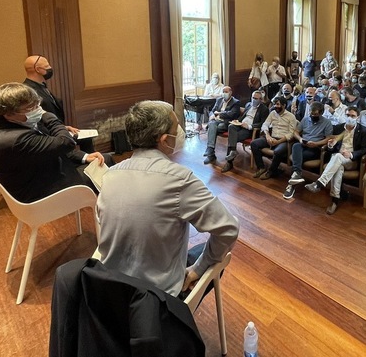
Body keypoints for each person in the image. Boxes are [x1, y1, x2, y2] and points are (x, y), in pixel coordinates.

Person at [96, 100, 239, 297]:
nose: (180, 131)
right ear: (164, 140)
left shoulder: (109, 175)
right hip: (158, 299)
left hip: (111, 290)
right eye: (176, 127)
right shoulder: (179, 179)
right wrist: (198, 269)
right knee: (207, 254)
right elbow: (228, 228)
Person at [0, 82, 104, 203]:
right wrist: (48, 116)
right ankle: (110, 210)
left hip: (39, 172)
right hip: (39, 192)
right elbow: (66, 142)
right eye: (30, 108)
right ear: (9, 114)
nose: (38, 110)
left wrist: (85, 157)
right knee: (108, 166)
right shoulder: (18, 139)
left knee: (101, 161)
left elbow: (52, 145)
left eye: (37, 105)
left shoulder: (10, 126)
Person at [304, 106, 366, 214]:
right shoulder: (338, 128)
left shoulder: (364, 131)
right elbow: (332, 149)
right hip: (337, 159)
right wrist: (330, 146)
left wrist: (351, 154)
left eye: (352, 116)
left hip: (351, 160)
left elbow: (365, 149)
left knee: (337, 157)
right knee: (338, 167)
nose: (350, 117)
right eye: (348, 115)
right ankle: (334, 200)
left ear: (357, 117)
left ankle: (319, 183)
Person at [284, 102, 334, 199]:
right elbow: (296, 132)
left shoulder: (327, 122)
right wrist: (300, 139)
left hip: (315, 147)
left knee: (297, 157)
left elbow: (328, 138)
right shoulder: (306, 119)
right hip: (304, 143)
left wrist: (317, 143)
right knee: (296, 146)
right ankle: (296, 174)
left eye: (315, 114)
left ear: (321, 113)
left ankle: (292, 182)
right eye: (311, 114)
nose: (313, 116)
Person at [220, 90, 270, 173]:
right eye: (253, 98)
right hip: (240, 125)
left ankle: (229, 162)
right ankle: (233, 151)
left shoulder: (264, 109)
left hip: (249, 130)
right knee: (231, 126)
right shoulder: (248, 104)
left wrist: (249, 126)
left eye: (256, 99)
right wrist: (237, 121)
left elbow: (262, 123)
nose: (254, 100)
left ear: (261, 100)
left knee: (232, 137)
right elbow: (243, 116)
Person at [250, 96, 297, 180]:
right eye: (275, 104)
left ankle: (271, 171)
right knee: (254, 143)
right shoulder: (272, 113)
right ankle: (261, 167)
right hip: (271, 137)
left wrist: (278, 142)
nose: (275, 106)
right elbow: (265, 125)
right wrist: (268, 136)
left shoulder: (291, 116)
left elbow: (291, 133)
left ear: (284, 105)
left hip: (283, 140)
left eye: (278, 104)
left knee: (278, 151)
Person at [203, 86, 241, 164]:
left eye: (226, 92)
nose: (224, 93)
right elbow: (213, 110)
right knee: (212, 124)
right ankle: (210, 150)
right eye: (223, 91)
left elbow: (232, 114)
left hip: (227, 123)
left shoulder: (236, 102)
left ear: (230, 93)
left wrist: (219, 114)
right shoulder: (219, 100)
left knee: (213, 127)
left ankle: (211, 153)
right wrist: (211, 115)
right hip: (216, 121)